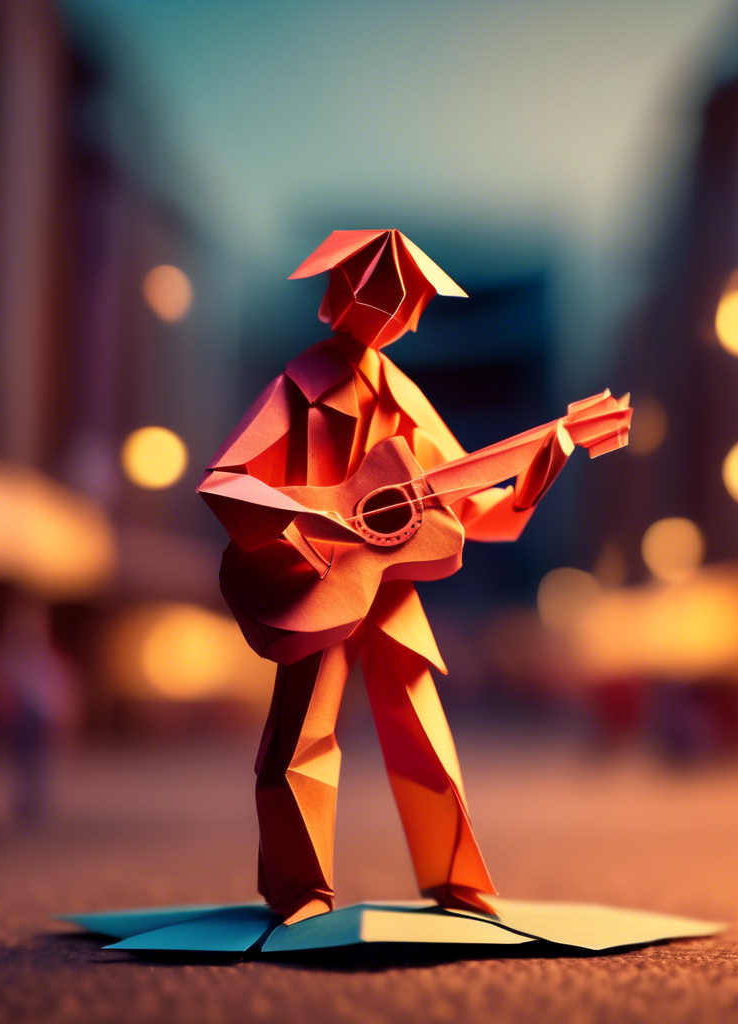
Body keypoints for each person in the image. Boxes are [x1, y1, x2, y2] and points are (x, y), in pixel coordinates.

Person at [199, 231, 583, 923]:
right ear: (342, 295)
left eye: (408, 301)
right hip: (314, 578)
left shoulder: (403, 395)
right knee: (301, 740)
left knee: (424, 735)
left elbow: (483, 513)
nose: (400, 313)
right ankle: (300, 891)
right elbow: (226, 482)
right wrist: (324, 521)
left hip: (388, 589)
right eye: (389, 296)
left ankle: (455, 879)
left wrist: (536, 477)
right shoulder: (303, 384)